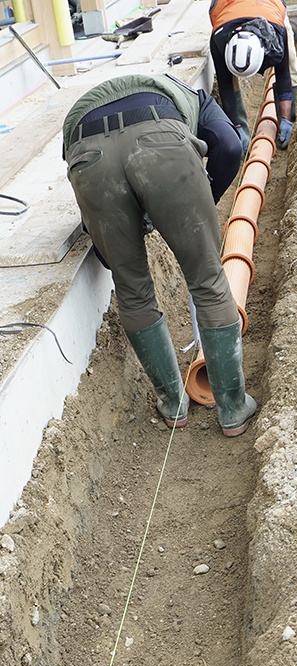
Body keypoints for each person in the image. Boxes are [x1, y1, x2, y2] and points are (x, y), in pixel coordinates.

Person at [62, 73, 257, 437]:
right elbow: (230, 147)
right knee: (208, 280)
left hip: (87, 155)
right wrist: (196, 206)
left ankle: (173, 403)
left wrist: (125, 240)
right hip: (160, 144)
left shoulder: (92, 107)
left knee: (132, 289)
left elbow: (103, 249)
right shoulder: (199, 100)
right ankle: (232, 408)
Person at [209, 0, 297, 151]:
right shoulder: (218, 39)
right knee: (229, 79)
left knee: (290, 65)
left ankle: (289, 126)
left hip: (268, 7)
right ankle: (240, 136)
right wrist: (235, 125)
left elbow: (283, 75)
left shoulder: (277, 34)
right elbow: (225, 85)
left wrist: (286, 119)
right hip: (227, 10)